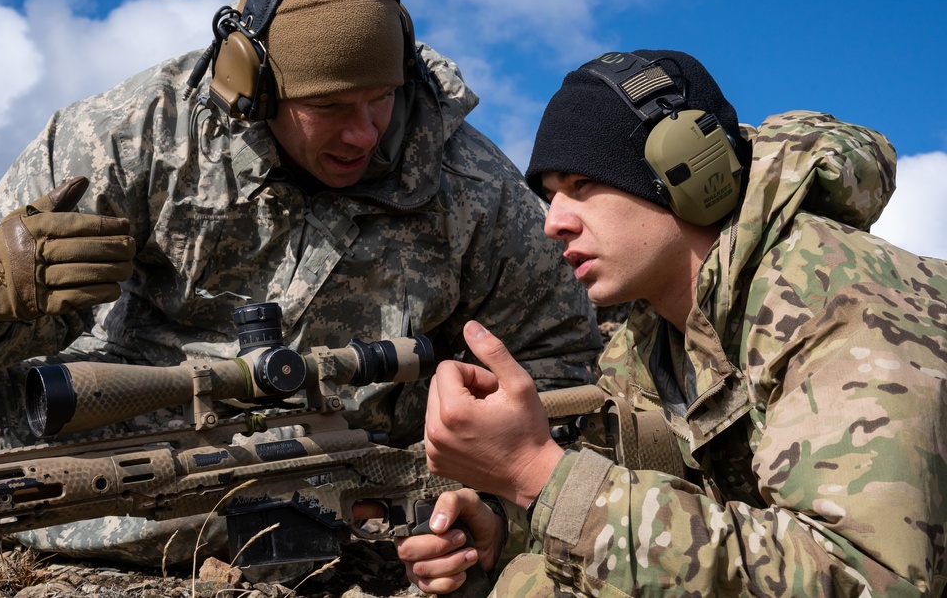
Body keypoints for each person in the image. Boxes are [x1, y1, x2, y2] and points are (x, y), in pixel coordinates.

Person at [0, 0, 600, 570]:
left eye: (381, 96)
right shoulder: (125, 139)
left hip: (358, 511)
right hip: (76, 484)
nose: (365, 132)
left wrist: (485, 505)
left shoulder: (476, 189)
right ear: (251, 86)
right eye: (328, 106)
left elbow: (562, 365)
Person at [398, 50, 947, 595]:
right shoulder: (646, 343)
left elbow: (868, 578)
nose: (554, 223)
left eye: (581, 185)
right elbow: (669, 520)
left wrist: (538, 474)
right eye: (549, 196)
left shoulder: (836, 297)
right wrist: (504, 533)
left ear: (685, 170)